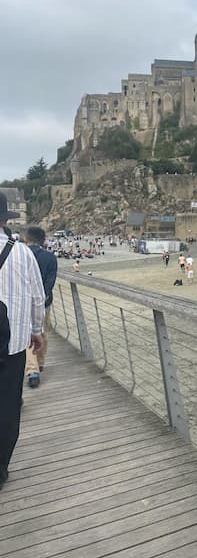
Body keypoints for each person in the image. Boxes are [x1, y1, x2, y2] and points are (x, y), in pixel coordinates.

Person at [0, 193, 45, 490]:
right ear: (5, 219)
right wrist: (37, 329)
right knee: (7, 407)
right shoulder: (21, 252)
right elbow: (36, 296)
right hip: (12, 342)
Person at [24, 226, 58, 388]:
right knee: (42, 331)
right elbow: (50, 283)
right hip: (44, 302)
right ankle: (41, 362)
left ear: (27, 239)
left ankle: (32, 371)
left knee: (28, 335)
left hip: (23, 302)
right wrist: (42, 298)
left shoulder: (20, 254)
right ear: (43, 240)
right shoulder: (50, 257)